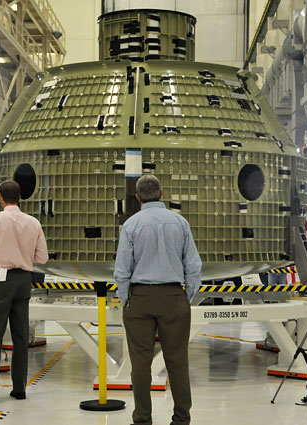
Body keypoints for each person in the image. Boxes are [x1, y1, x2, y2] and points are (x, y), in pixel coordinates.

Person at [114, 174, 202, 425]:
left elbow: (122, 270)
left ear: (138, 197)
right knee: (177, 361)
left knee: (140, 363)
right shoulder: (180, 223)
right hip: (174, 297)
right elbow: (193, 266)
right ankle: (181, 418)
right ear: (161, 194)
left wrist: (126, 300)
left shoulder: (131, 225)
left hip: (140, 298)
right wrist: (185, 296)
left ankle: (142, 419)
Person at [0, 180, 48, 404]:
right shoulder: (33, 222)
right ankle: (19, 388)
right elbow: (42, 258)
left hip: (1, 280)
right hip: (24, 280)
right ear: (20, 197)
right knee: (21, 336)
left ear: (0, 197)